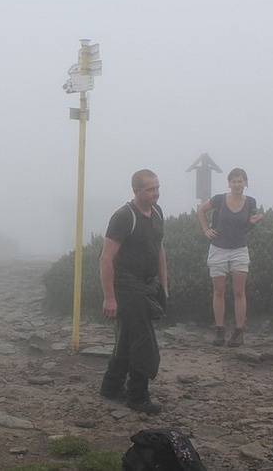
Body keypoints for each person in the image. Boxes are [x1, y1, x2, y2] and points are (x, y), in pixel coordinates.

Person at [99, 169, 168, 415]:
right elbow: (106, 259)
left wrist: (164, 284)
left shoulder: (157, 212)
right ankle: (138, 396)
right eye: (150, 189)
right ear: (136, 190)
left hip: (149, 284)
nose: (156, 193)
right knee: (143, 341)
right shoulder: (123, 217)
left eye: (157, 188)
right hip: (126, 285)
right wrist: (109, 297)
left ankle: (111, 386)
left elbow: (159, 249)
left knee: (127, 337)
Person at [197, 168, 263, 347]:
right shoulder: (219, 199)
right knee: (219, 291)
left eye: (240, 181)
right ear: (229, 183)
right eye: (233, 181)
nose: (237, 184)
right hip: (218, 248)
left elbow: (246, 227)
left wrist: (252, 223)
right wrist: (206, 230)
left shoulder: (250, 202)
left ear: (246, 183)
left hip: (239, 249)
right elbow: (201, 210)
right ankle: (220, 331)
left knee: (239, 292)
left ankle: (239, 332)